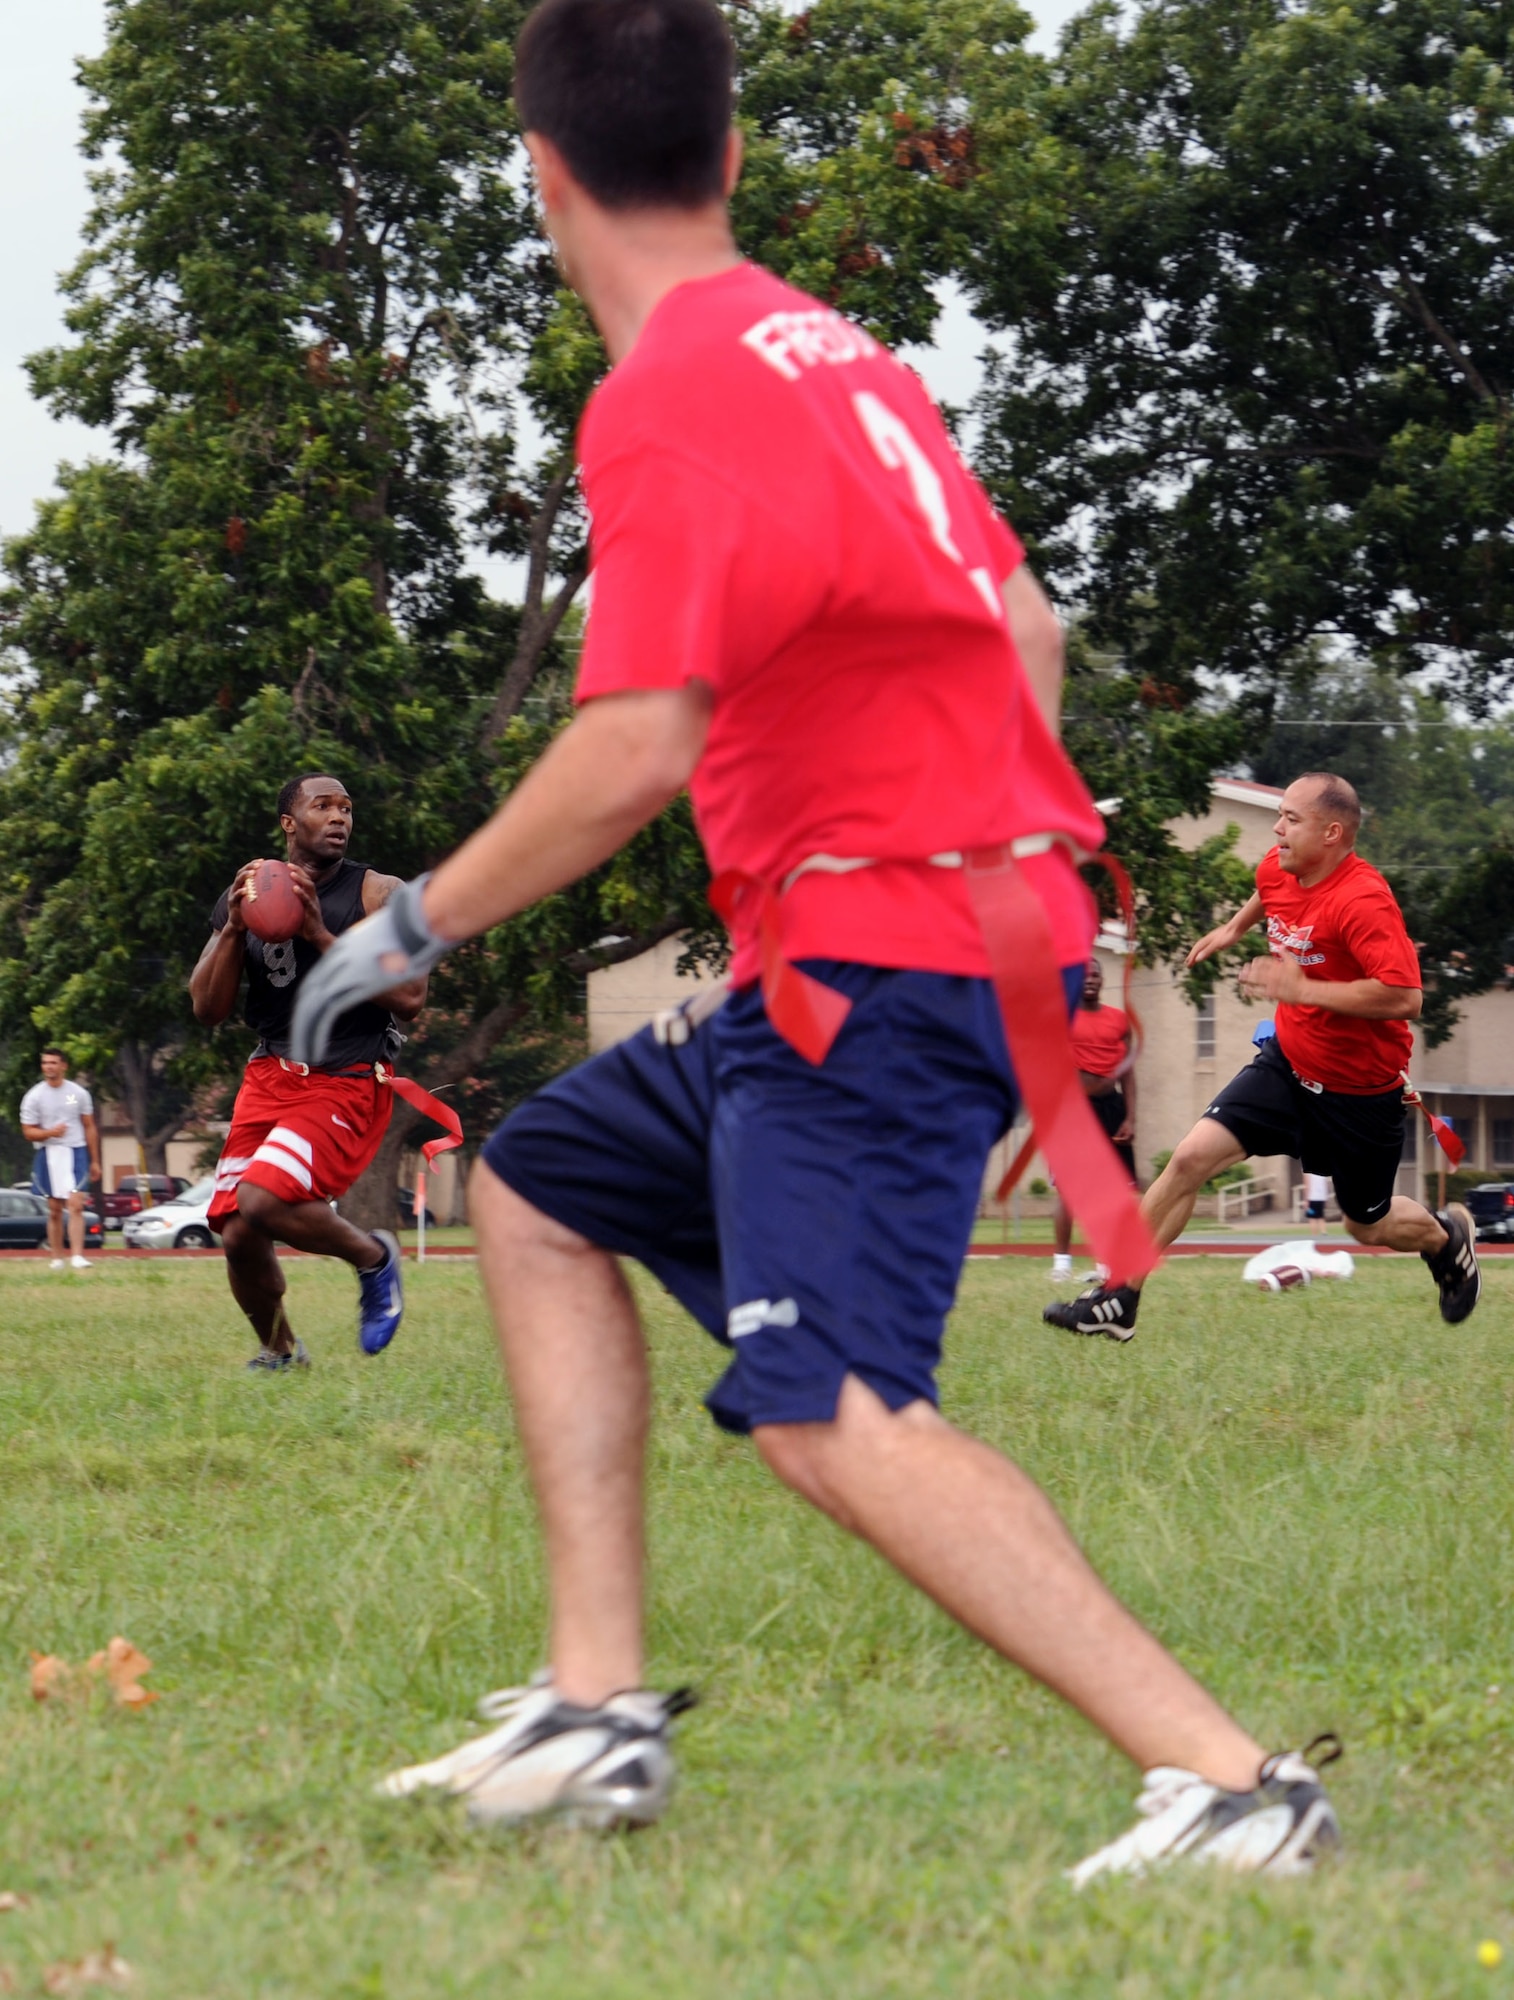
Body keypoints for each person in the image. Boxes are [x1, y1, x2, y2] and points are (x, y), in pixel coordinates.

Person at [291, 0, 1339, 1880]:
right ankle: (594, 1710)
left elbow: (630, 744)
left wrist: (409, 926)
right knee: (540, 1187)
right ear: (734, 155)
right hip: (872, 951)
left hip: (880, 965)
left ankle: (1231, 1783)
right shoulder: (834, 351)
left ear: (540, 173)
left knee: (832, 1413)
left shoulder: (671, 385)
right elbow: (1021, 631)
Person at [1045, 772, 1480, 1340]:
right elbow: (1267, 890)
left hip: (1359, 1094)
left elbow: (1405, 996)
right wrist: (1231, 927)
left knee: (1365, 1225)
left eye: (1291, 819)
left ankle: (1447, 1242)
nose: (1277, 829)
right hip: (1288, 1065)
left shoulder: (1363, 900)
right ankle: (1117, 1299)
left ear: (1331, 833)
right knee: (1189, 1159)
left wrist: (1304, 991)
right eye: (1279, 815)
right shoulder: (1280, 865)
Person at [188, 774, 429, 1370]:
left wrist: (321, 932)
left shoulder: (380, 894)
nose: (340, 816)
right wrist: (233, 930)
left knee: (264, 1198)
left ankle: (374, 1257)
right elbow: (206, 1008)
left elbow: (410, 996)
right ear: (289, 823)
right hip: (270, 1073)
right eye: (322, 806)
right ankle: (281, 1355)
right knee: (239, 1232)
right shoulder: (247, 890)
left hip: (345, 1074)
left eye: (346, 807)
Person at [1050, 958, 1137, 1283]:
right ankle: (1062, 1264)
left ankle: (1106, 1264)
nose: (1090, 979)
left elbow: (1128, 1071)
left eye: (1095, 974)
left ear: (1102, 980)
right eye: (1084, 975)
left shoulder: (1119, 1020)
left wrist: (1130, 1116)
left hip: (1111, 1108)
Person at [19, 1049, 101, 1271]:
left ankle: (77, 1256)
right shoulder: (34, 1096)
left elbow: (89, 1126)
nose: (49, 1067)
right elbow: (28, 1132)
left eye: (53, 1063)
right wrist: (50, 1133)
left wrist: (95, 1160)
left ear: (64, 1066)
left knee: (76, 1205)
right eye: (45, 1063)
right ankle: (56, 1258)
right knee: (54, 1209)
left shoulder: (76, 1094)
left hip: (76, 1152)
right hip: (49, 1153)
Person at [1303, 1172, 1332, 1236]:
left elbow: (1307, 1186)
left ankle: (1314, 1235)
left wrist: (1306, 1200)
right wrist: (1326, 1197)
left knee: (1312, 1218)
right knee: (1321, 1216)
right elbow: (1326, 1186)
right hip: (1321, 1197)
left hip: (1312, 1198)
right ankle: (1323, 1231)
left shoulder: (1308, 1173)